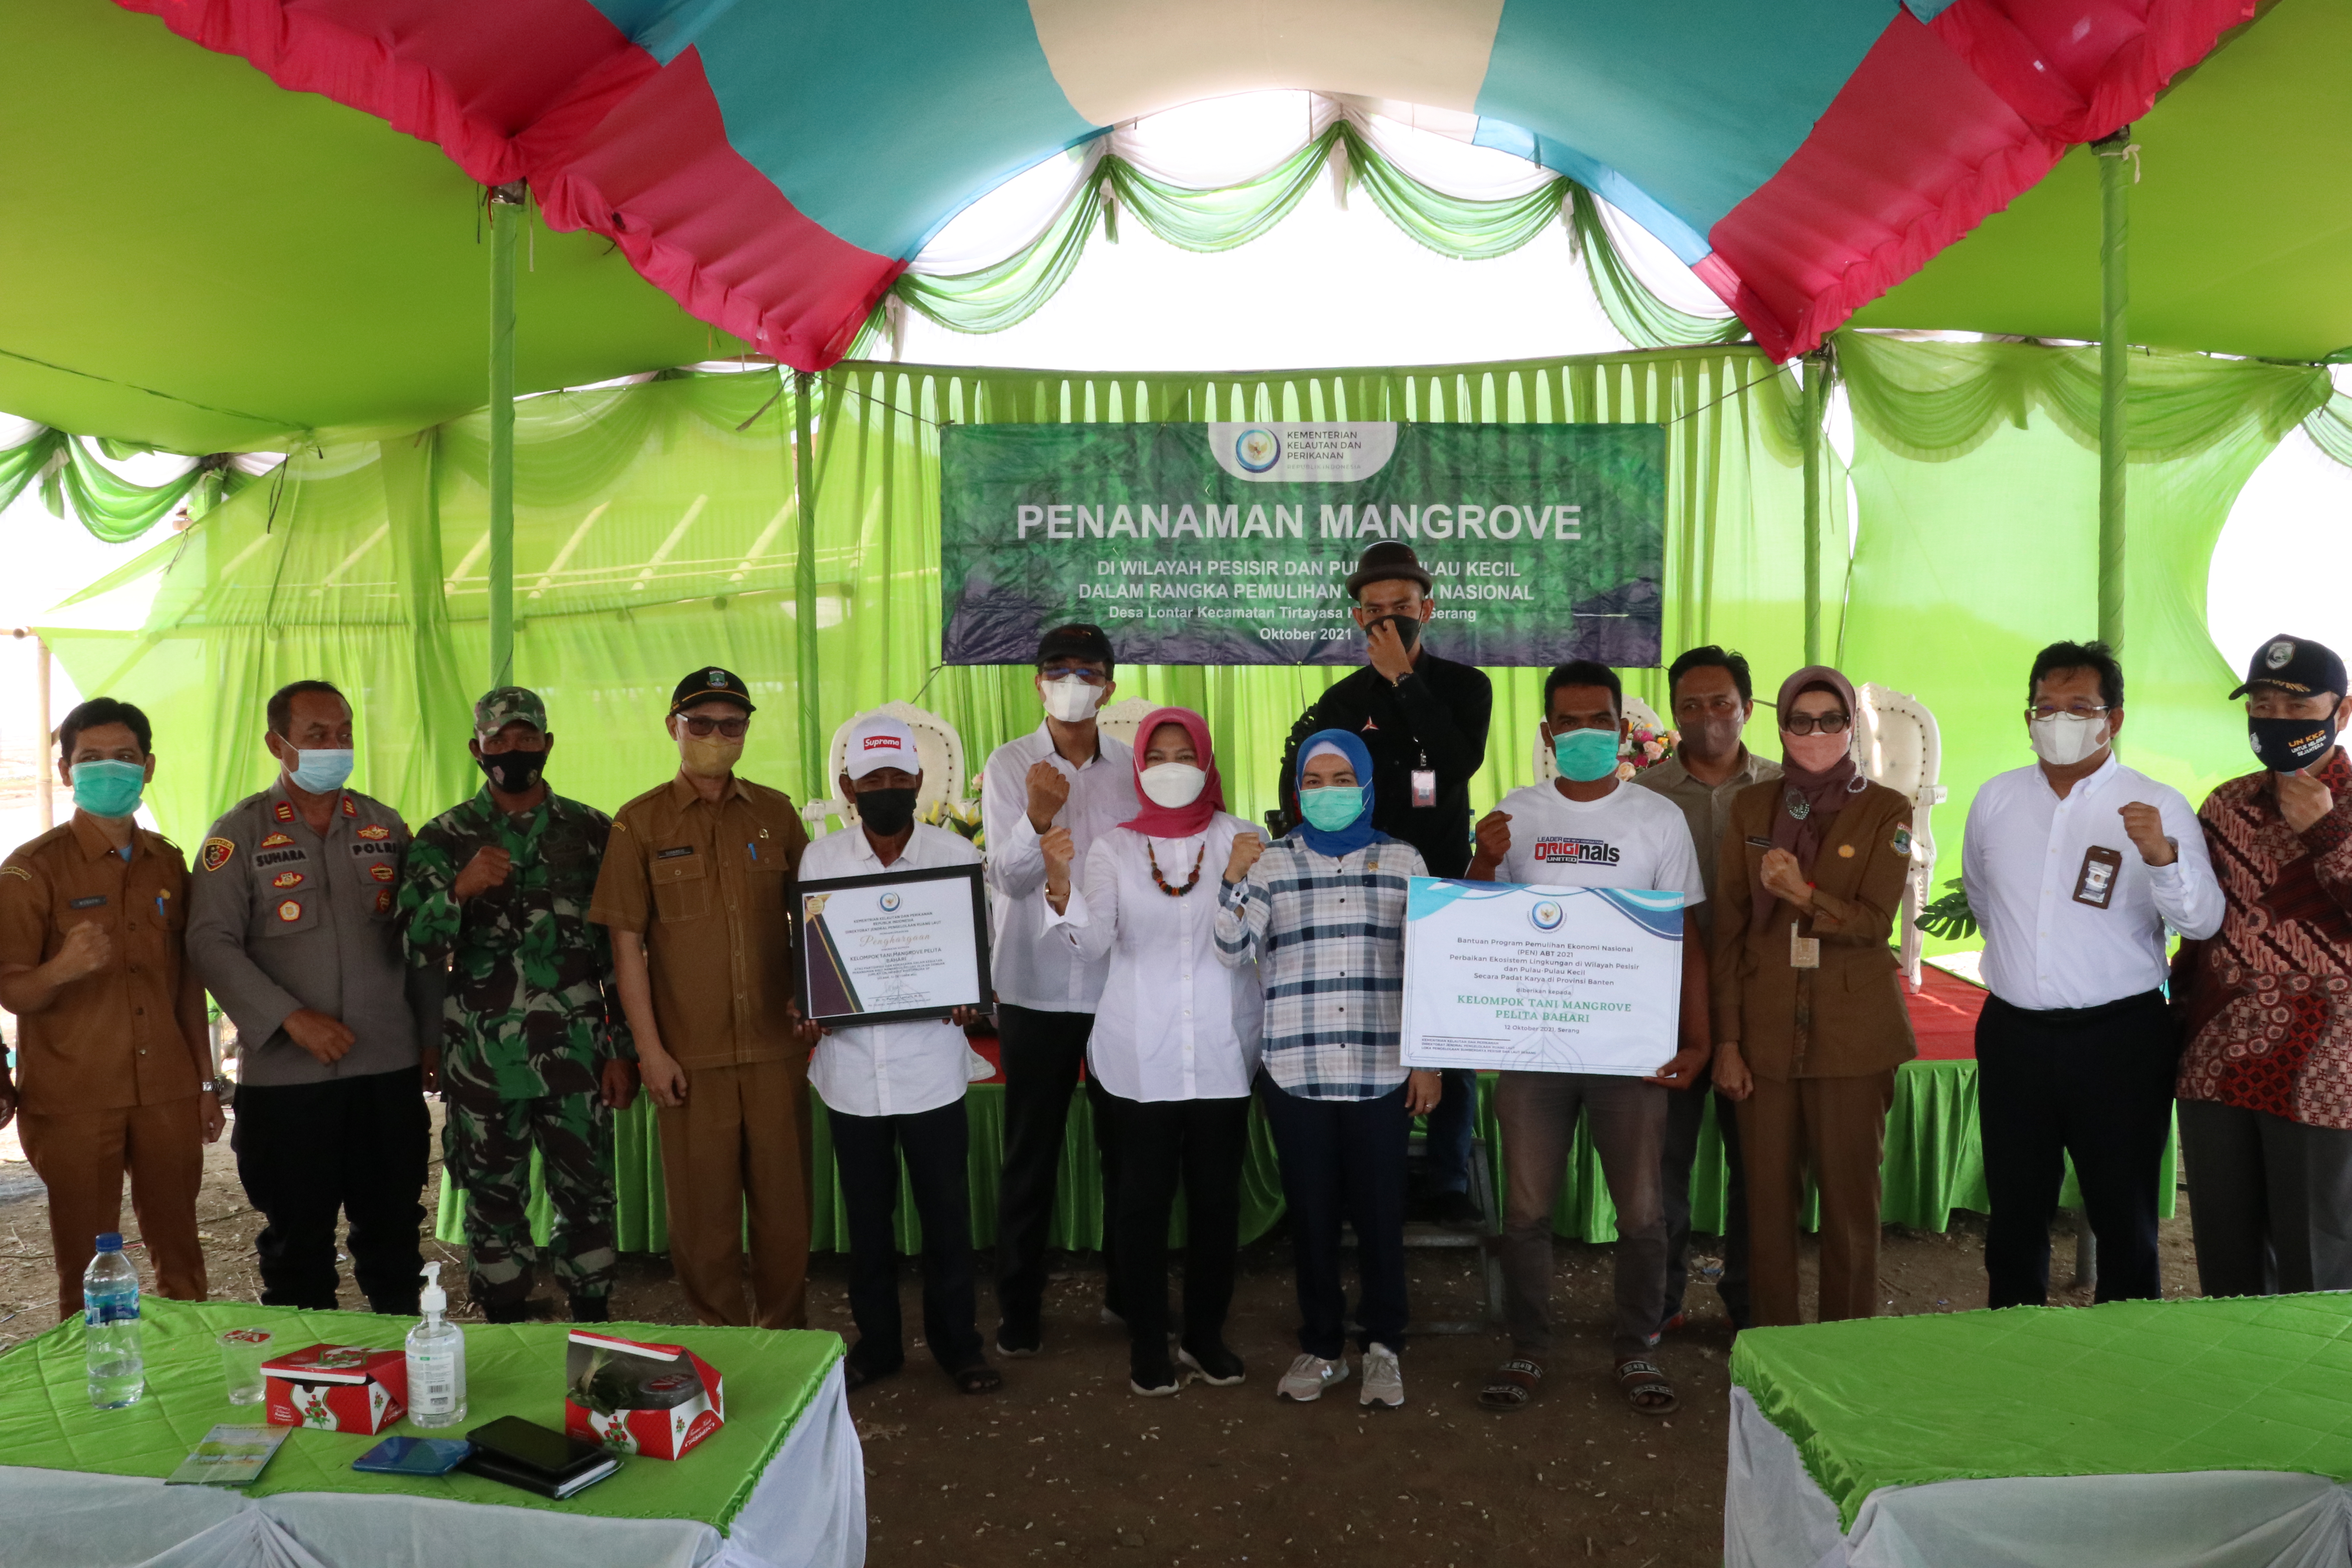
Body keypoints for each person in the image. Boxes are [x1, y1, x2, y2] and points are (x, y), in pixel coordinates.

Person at [1468, 661, 1710, 1416]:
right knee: (1528, 1211)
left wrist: (1697, 1043)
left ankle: (1636, 1348)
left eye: (1598, 722)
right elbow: (1476, 926)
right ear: (1547, 733)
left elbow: (1688, 941)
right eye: (1567, 724)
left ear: (1622, 731)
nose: (1583, 735)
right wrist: (1482, 856)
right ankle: (1530, 1348)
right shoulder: (1516, 815)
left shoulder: (1656, 820)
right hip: (1534, 1052)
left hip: (1630, 1052)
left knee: (1641, 1213)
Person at [1962, 640, 2222, 1308]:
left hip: (2120, 1041)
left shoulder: (2156, 804)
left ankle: (2126, 1344)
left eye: (2080, 707)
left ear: (2115, 719)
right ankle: (2014, 1335)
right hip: (2015, 1034)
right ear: (2027, 718)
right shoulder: (1996, 800)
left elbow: (2200, 923)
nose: (2059, 721)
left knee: (2123, 1207)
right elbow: (1987, 903)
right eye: (2045, 707)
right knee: (2017, 1206)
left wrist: (2162, 857)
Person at [187, 680, 435, 1314]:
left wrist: (431, 1035)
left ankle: (406, 1373)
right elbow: (211, 944)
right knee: (298, 1250)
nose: (335, 746)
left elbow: (418, 938)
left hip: (387, 1069)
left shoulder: (385, 826)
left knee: (394, 1242)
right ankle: (309, 1389)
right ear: (278, 744)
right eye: (317, 736)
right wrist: (290, 1018)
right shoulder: (236, 835)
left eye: (344, 732)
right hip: (289, 1081)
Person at [398, 687, 638, 1325]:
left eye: (526, 737)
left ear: (548, 744)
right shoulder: (444, 837)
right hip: (483, 1061)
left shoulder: (593, 832)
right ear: (478, 750)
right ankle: (504, 1318)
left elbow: (618, 953)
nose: (513, 750)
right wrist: (460, 889)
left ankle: (591, 1317)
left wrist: (624, 1051)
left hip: (579, 1056)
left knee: (587, 1196)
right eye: (498, 740)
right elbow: (414, 944)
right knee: (491, 1199)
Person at [1044, 707, 1263, 1397]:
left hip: (1223, 1051)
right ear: (1139, 765)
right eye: (1159, 754)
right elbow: (1097, 940)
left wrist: (1234, 879)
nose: (1173, 767)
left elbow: (1253, 943)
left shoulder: (1244, 839)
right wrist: (1059, 885)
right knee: (1140, 1203)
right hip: (1138, 1053)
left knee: (1215, 1205)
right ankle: (1147, 1341)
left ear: (1207, 761)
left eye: (1185, 754)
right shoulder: (1112, 848)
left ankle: (1204, 1336)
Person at [1216, 728, 1437, 1409]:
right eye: (1316, 780)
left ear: (1367, 786)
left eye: (1344, 780)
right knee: (1310, 1216)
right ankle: (1321, 1345)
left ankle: (1383, 1347)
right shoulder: (1271, 862)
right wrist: (1231, 880)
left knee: (1379, 1215)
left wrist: (1426, 1064)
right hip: (1296, 1067)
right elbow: (1230, 951)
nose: (1329, 792)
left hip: (1380, 1068)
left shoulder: (1404, 858)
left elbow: (1431, 969)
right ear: (1296, 790)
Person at [590, 666, 813, 1329]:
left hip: (776, 1052)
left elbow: (815, 920)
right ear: (673, 729)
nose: (718, 736)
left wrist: (816, 998)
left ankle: (786, 1343)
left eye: (732, 725)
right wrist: (650, 1053)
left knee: (785, 1215)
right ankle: (723, 1342)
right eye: (703, 724)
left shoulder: (776, 814)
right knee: (703, 1222)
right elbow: (626, 947)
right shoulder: (640, 823)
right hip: (690, 1060)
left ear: (746, 733)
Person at [1277, 541, 1492, 1228]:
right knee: (1371, 1021)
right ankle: (1374, 1171)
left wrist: (1406, 681)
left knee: (1445, 1030)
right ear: (1357, 619)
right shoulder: (1341, 699)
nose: (1389, 622)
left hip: (1441, 882)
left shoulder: (1466, 686)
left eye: (1402, 609)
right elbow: (1309, 785)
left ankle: (1450, 1174)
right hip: (1364, 888)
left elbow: (1455, 766)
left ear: (1427, 610)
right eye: (1375, 613)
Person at [0, 699, 221, 1320]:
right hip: (74, 1098)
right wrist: (63, 968)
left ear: (148, 767)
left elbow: (185, 984)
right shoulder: (29, 871)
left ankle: (188, 1374)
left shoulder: (168, 863)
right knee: (87, 1268)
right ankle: (98, 1383)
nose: (109, 770)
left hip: (167, 1092)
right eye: (91, 759)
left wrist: (205, 1083)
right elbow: (12, 990)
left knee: (181, 1255)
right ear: (67, 771)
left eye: (124, 758)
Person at [1710, 666, 1916, 1327]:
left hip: (1853, 1037)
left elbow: (1873, 923)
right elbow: (1732, 930)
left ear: (1850, 726)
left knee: (1851, 1209)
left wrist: (1804, 896)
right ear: (1781, 726)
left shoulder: (1887, 809)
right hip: (1765, 1037)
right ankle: (1774, 1353)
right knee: (1767, 1208)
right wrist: (1729, 1042)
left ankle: (1845, 1352)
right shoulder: (1752, 807)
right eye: (1801, 721)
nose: (1816, 733)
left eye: (1831, 720)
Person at [804, 713, 1000, 1394]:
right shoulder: (820, 861)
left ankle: (960, 1347)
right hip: (850, 1074)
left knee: (948, 1221)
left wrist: (972, 994)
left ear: (919, 781)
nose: (886, 788)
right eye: (871, 779)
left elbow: (982, 956)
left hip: (931, 1071)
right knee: (869, 1225)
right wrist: (815, 1002)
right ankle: (878, 1347)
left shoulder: (957, 858)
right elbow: (813, 954)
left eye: (897, 777)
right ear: (848, 787)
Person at [2175, 635, 2352, 1294]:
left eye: (2296, 706)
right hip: (2218, 1064)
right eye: (2265, 705)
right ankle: (2232, 1392)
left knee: (2319, 1264)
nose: (2277, 720)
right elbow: (2200, 932)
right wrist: (2177, 1018)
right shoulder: (2227, 805)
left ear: (2342, 713)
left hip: (2325, 1074)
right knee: (2227, 1256)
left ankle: (2316, 1392)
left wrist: (2329, 836)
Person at [980, 624, 1138, 1356]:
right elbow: (1009, 881)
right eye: (1057, 669)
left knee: (1126, 1150)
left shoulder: (1137, 769)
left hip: (1114, 984)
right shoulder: (1010, 764)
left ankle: (1129, 1296)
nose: (1072, 680)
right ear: (1037, 682)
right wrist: (1037, 817)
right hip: (1035, 986)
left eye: (1087, 670)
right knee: (1030, 1153)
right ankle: (1020, 1308)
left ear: (1109, 685)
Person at [1634, 644, 1777, 1334]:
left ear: (1747, 708)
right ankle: (1659, 1307)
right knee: (1663, 1172)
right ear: (1675, 715)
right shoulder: (1643, 799)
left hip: (1760, 1006)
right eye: (1691, 705)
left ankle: (1752, 1308)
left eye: (1721, 702)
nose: (1708, 717)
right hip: (1668, 1006)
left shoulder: (1787, 791)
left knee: (1759, 1167)